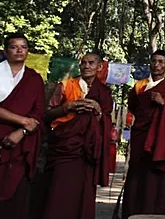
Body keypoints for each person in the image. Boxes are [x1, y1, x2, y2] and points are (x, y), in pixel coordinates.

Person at [0, 35, 45, 219]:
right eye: (14, 47)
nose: (19, 50)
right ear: (5, 51)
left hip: (20, 142)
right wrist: (23, 121)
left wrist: (21, 132)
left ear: (28, 51)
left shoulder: (34, 79)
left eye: (23, 47)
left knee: (15, 193)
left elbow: (38, 113)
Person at [40, 51, 113, 219]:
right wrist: (69, 107)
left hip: (87, 149)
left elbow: (106, 119)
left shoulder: (104, 92)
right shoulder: (66, 85)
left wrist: (97, 109)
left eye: (91, 63)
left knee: (83, 192)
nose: (86, 66)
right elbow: (47, 114)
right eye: (83, 63)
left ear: (99, 67)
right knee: (59, 191)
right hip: (65, 146)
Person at [121, 50, 165, 219]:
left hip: (160, 143)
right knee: (137, 179)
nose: (157, 65)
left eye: (161, 61)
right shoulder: (139, 86)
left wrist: (164, 103)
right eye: (154, 61)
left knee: (155, 182)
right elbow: (134, 108)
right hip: (140, 138)